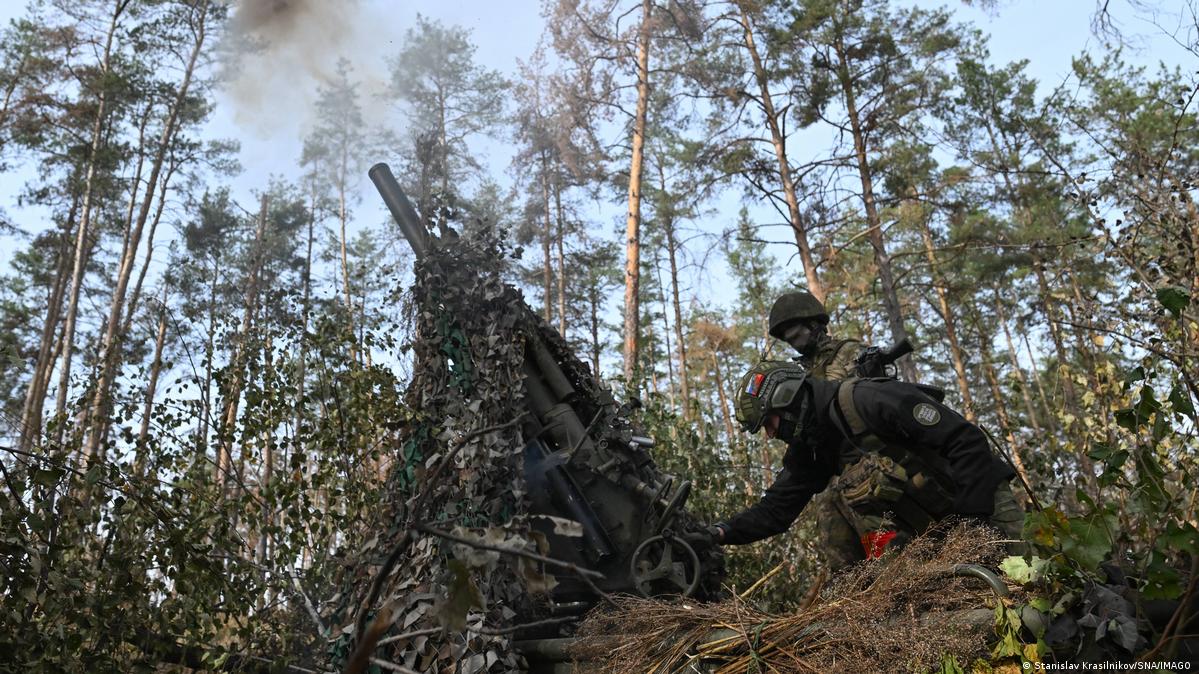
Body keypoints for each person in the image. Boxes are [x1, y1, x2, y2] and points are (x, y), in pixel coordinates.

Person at [703, 360, 1024, 569]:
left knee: (1035, 600)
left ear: (786, 401)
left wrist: (972, 525)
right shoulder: (811, 449)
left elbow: (964, 441)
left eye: (769, 423)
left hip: (984, 507)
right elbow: (775, 510)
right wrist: (720, 532)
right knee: (831, 502)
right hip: (934, 533)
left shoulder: (867, 399)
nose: (771, 434)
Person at [767, 291, 861, 379]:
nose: (795, 345)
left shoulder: (850, 351)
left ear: (813, 325)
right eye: (790, 341)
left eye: (796, 336)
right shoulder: (799, 373)